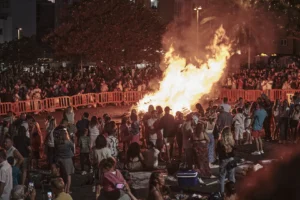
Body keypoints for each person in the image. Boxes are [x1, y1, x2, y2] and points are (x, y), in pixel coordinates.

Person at [54, 129, 74, 194]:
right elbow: (73, 147)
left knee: (62, 175)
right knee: (68, 175)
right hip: (68, 160)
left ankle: (62, 189)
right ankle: (67, 190)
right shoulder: (68, 142)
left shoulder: (58, 143)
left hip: (60, 160)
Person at [92, 135, 112, 199]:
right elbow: (110, 160)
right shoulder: (107, 150)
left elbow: (93, 160)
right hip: (106, 169)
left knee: (99, 185)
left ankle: (98, 197)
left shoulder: (94, 150)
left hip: (98, 169)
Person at [217, 127, 235, 194]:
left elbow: (218, 152)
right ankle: (232, 191)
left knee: (222, 177)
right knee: (231, 177)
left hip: (223, 160)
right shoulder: (232, 142)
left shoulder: (220, 142)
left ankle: (221, 193)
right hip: (231, 159)